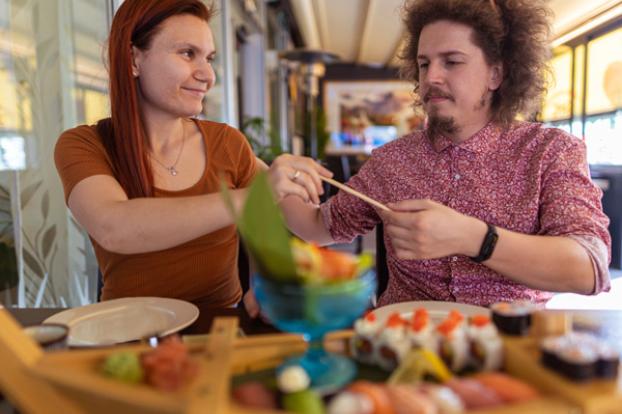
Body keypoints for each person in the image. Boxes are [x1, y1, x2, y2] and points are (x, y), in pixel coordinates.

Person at [269, 0, 612, 309]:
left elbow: (589, 268)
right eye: (423, 63)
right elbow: (318, 226)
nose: (431, 77)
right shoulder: (393, 160)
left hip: (507, 347)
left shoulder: (550, 152)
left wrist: (473, 237)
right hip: (401, 341)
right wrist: (276, 185)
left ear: (497, 73)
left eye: (452, 62)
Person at [54, 0, 331, 307]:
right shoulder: (84, 144)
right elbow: (114, 228)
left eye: (209, 58)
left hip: (220, 333)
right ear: (133, 59)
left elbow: (314, 227)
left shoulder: (227, 143)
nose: (208, 76)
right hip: (128, 336)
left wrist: (382, 194)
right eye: (188, 54)